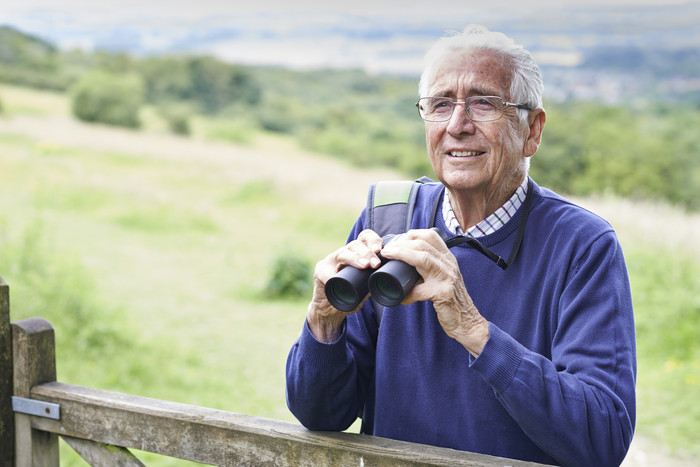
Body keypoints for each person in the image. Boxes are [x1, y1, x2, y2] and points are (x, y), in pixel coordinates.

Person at [286, 25, 636, 467]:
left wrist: (475, 331)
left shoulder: (582, 246)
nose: (457, 125)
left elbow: (603, 438)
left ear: (533, 130)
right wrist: (323, 323)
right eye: (440, 105)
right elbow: (320, 415)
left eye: (483, 103)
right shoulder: (387, 219)